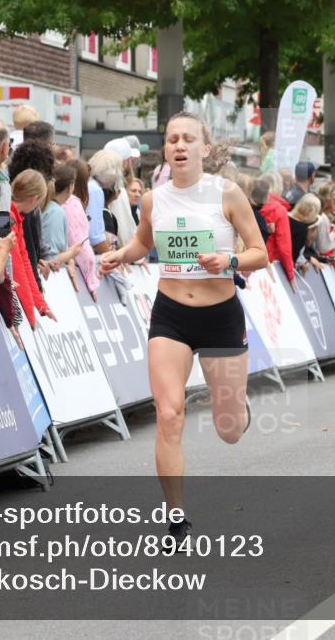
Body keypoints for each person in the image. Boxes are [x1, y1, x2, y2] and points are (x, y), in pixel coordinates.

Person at [99, 112, 267, 547]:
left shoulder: (227, 193)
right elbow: (143, 242)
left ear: (204, 149)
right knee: (169, 414)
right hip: (171, 314)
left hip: (220, 315)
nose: (178, 145)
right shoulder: (154, 199)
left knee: (229, 429)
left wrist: (229, 260)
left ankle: (237, 406)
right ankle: (176, 519)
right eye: (172, 139)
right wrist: (121, 255)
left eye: (188, 139)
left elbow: (260, 252)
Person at [9, 169, 55, 323]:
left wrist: (40, 305)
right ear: (34, 200)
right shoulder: (8, 217)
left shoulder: (15, 217)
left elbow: (25, 261)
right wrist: (31, 315)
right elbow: (17, 266)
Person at [38, 163, 87, 275]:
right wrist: (72, 252)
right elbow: (50, 258)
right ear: (70, 187)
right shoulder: (56, 213)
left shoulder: (49, 207)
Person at [63, 159, 101, 296]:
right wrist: (92, 281)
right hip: (70, 271)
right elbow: (80, 245)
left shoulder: (62, 202)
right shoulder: (72, 204)